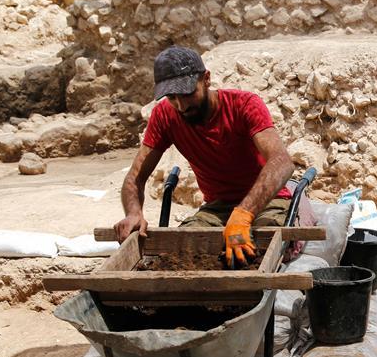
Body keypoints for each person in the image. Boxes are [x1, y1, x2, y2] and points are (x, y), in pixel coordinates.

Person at [113, 45, 295, 267]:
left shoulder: (244, 105)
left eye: (188, 93)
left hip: (266, 204)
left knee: (250, 257)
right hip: (217, 209)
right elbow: (135, 176)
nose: (181, 106)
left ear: (206, 79)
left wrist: (244, 214)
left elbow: (282, 162)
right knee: (178, 255)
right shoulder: (164, 115)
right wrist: (133, 213)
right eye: (171, 97)